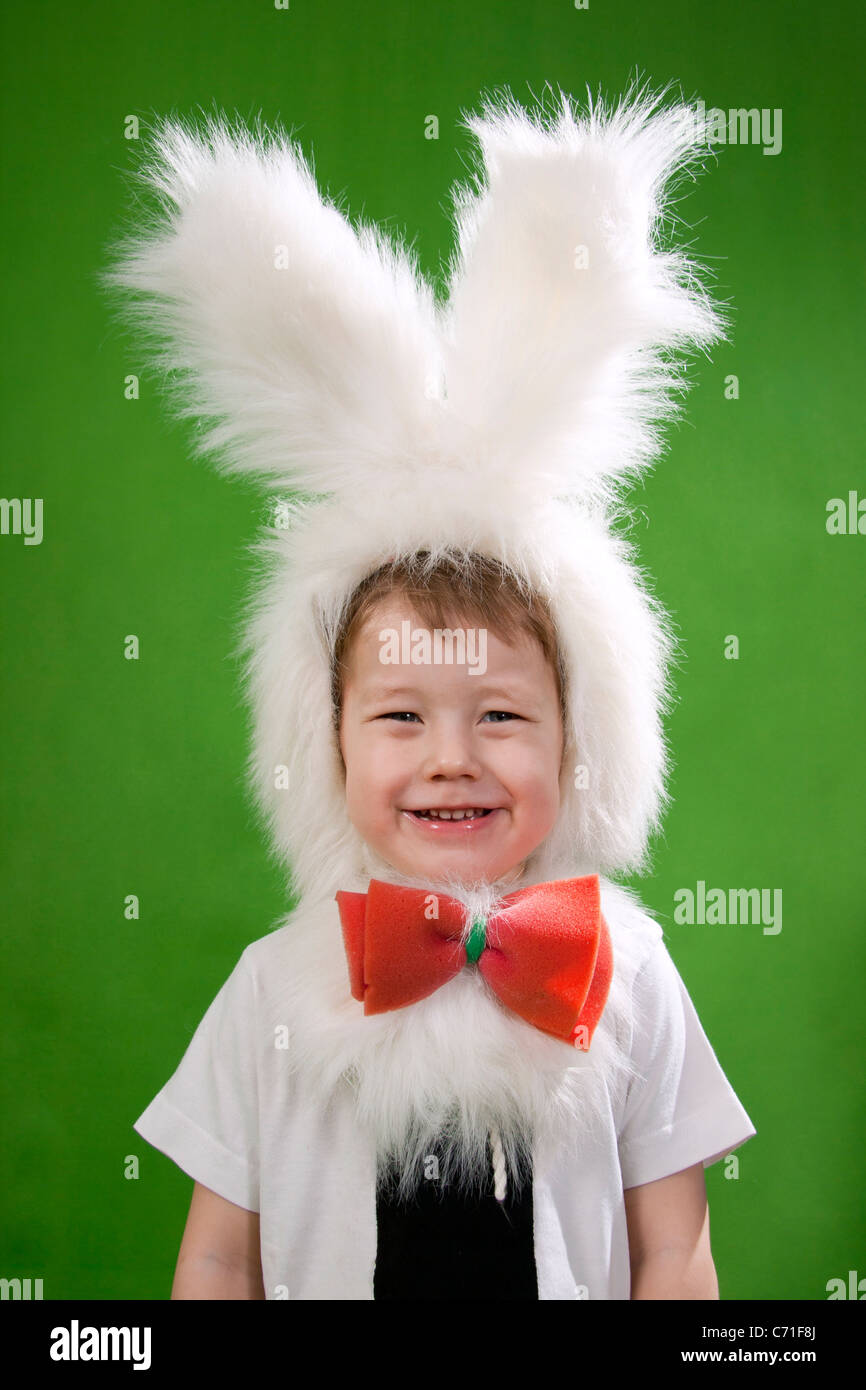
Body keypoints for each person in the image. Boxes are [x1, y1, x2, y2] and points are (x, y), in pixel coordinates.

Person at [102, 78, 757, 1300]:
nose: (450, 756)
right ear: (326, 741)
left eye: (501, 715)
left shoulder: (631, 968)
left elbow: (672, 1247)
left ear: (580, 741)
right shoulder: (271, 987)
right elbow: (216, 1253)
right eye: (400, 716)